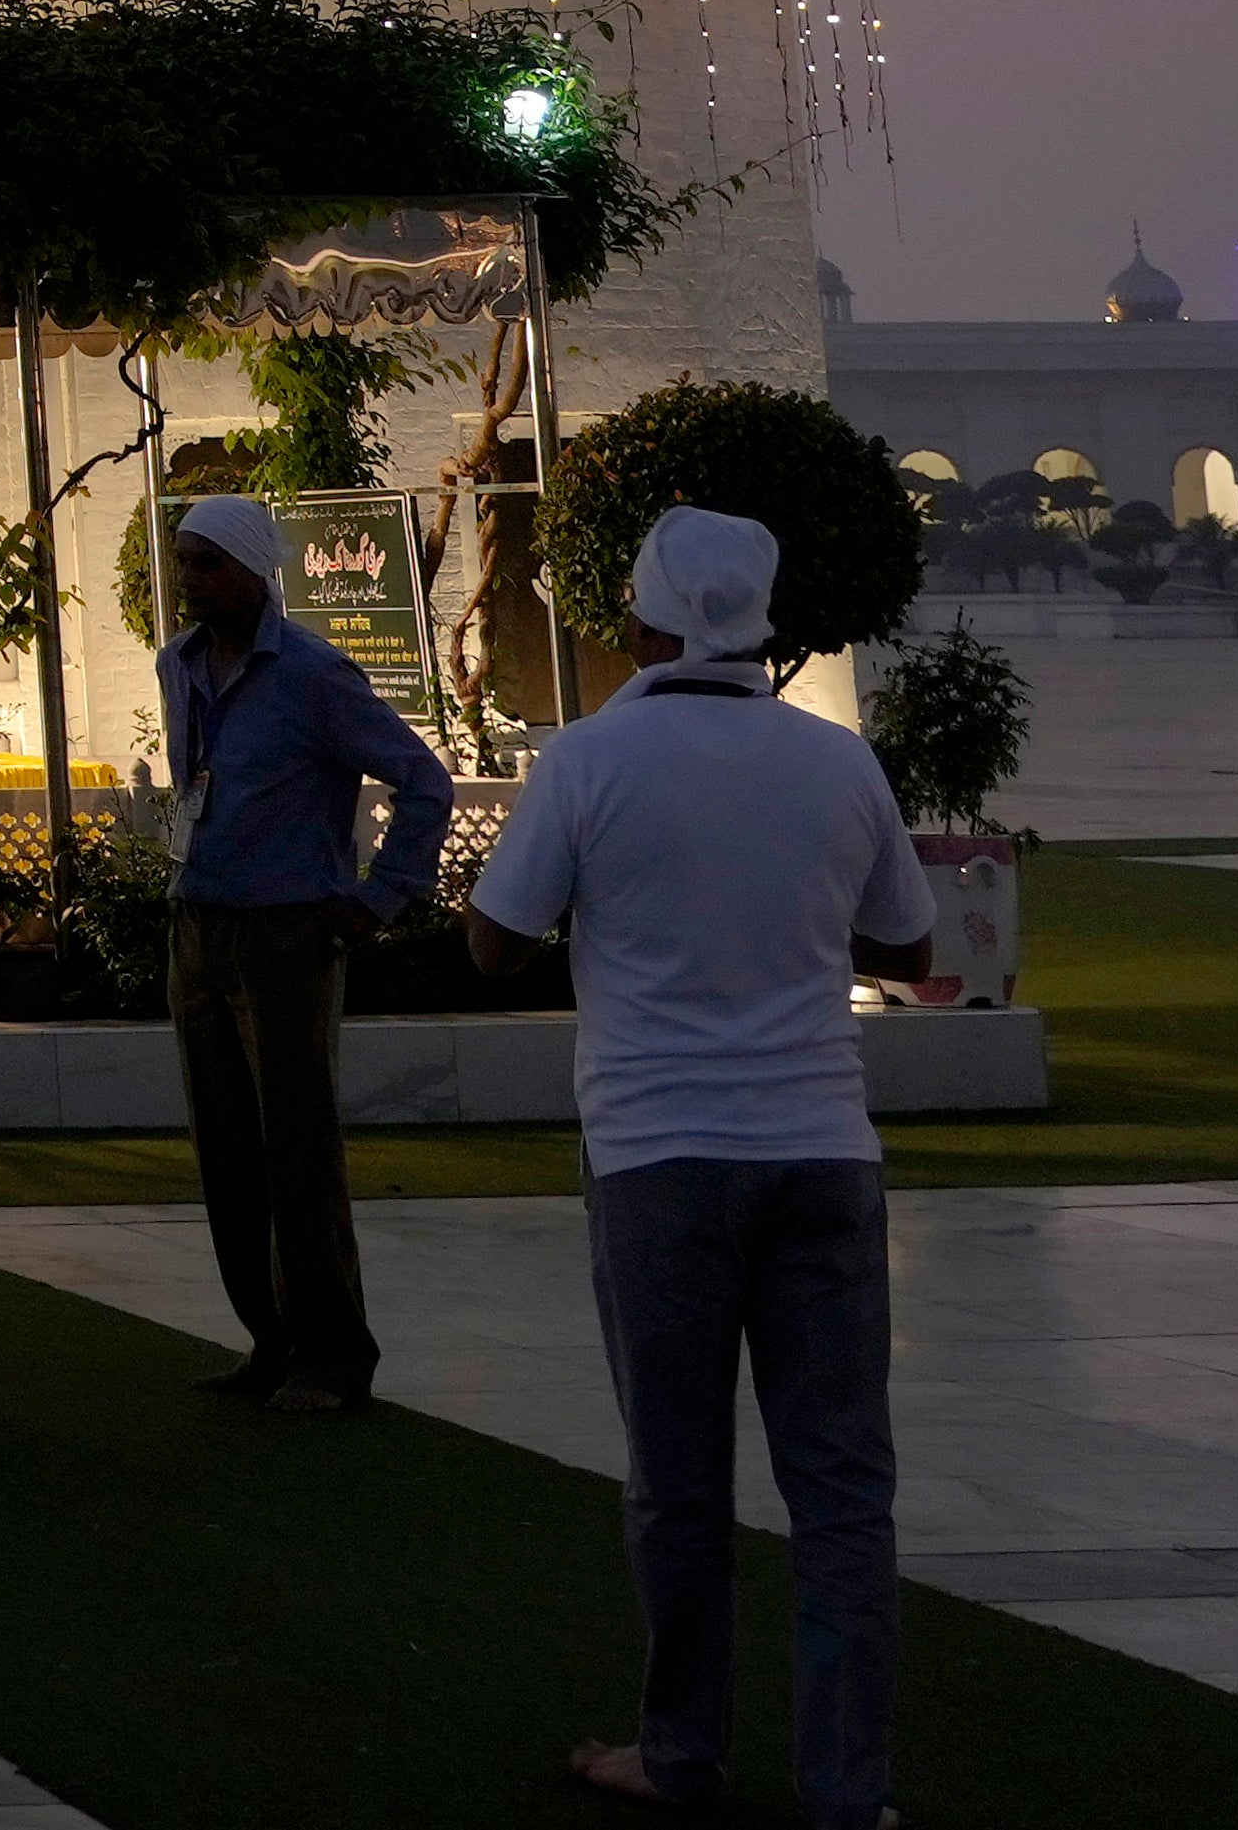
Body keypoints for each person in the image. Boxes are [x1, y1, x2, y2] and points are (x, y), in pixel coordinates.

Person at [474, 503, 940, 1830]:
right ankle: (847, 1787)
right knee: (841, 1490)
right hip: (820, 1150)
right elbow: (908, 947)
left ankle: (681, 1753)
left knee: (677, 1483)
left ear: (640, 621)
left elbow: (495, 940)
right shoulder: (835, 761)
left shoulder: (588, 758)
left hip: (656, 1155)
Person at [156, 488, 449, 1411]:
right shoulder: (177, 664)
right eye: (184, 561)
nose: (190, 579)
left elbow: (423, 781)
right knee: (224, 1150)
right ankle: (270, 1342)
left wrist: (378, 899)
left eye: (207, 563)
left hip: (287, 931)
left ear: (253, 571)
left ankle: (331, 1356)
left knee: (296, 1147)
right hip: (198, 923)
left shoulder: (313, 674)